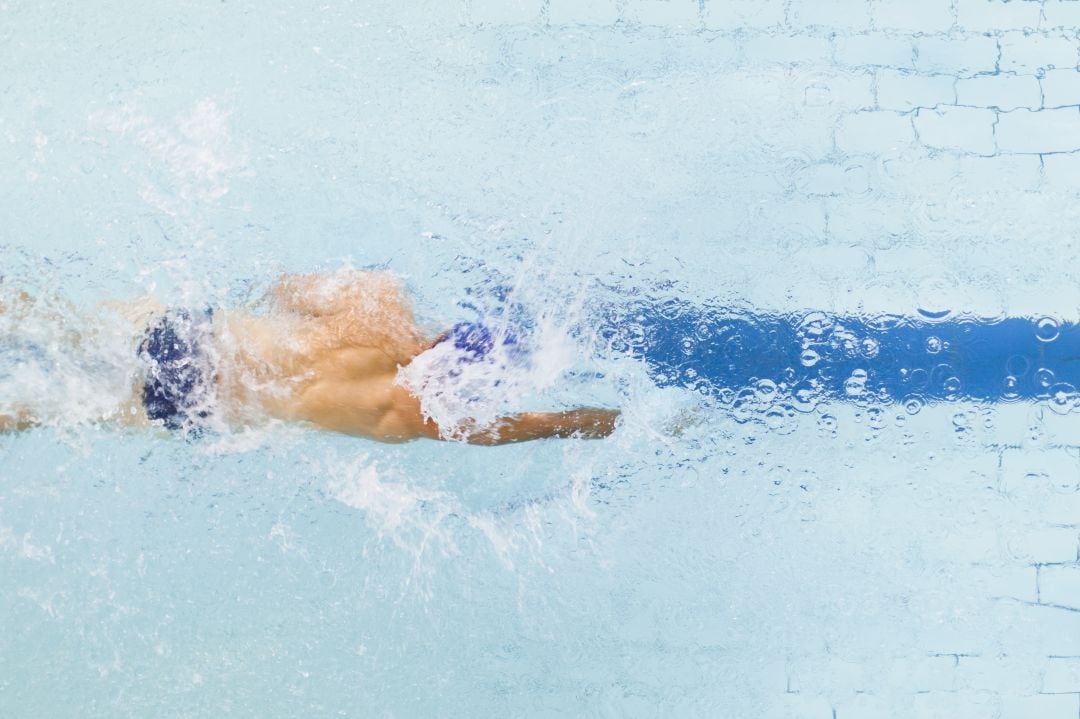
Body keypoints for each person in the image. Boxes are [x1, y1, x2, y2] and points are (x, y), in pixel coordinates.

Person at [0, 270, 621, 444]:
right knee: (44, 411)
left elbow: (283, 288)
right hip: (199, 402)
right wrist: (602, 421)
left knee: (62, 322)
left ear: (447, 335)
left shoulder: (378, 301)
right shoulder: (410, 413)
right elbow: (521, 428)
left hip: (195, 338)